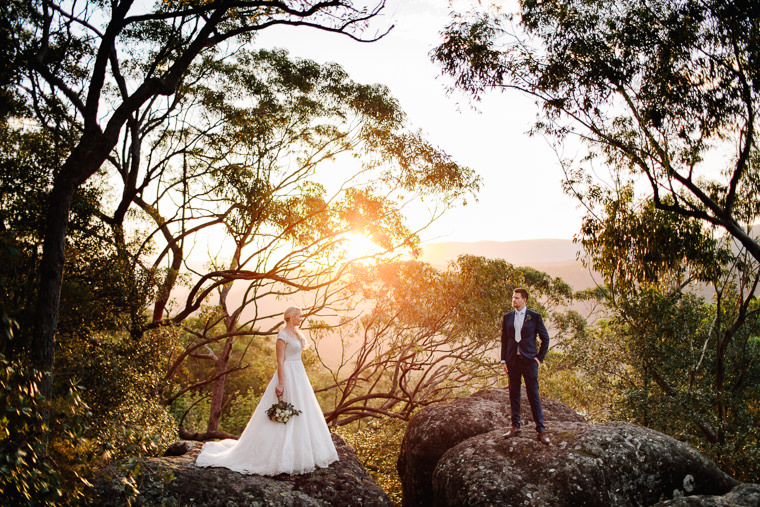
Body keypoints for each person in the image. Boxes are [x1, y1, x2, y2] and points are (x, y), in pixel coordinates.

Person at [196, 306, 339, 475]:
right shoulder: (282, 336)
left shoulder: (297, 333)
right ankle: (280, 454)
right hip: (288, 374)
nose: (302, 318)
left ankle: (303, 451)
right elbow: (280, 361)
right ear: (291, 317)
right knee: (285, 414)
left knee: (303, 411)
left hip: (299, 375)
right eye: (299, 316)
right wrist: (281, 384)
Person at [500, 288, 551, 445]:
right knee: (513, 395)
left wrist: (538, 359)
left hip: (529, 362)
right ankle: (515, 426)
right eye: (513, 297)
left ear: (524, 300)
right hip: (512, 362)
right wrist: (503, 361)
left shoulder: (534, 317)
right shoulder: (507, 317)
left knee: (533, 396)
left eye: (516, 298)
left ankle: (540, 430)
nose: (513, 300)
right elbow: (504, 340)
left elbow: (545, 339)